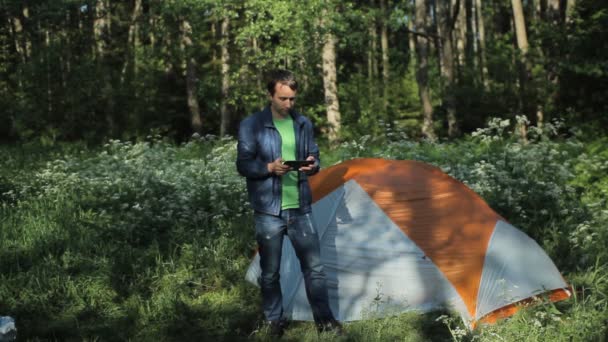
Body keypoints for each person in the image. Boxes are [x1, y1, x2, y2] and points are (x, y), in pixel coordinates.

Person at [236, 69, 342, 337]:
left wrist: (312, 166)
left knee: (315, 270)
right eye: (283, 98)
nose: (289, 104)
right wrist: (269, 167)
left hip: (300, 208)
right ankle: (274, 321)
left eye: (292, 99)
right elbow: (243, 164)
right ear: (270, 95)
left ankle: (325, 322)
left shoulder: (303, 123)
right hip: (268, 211)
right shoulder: (252, 125)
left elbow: (314, 156)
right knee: (270, 272)